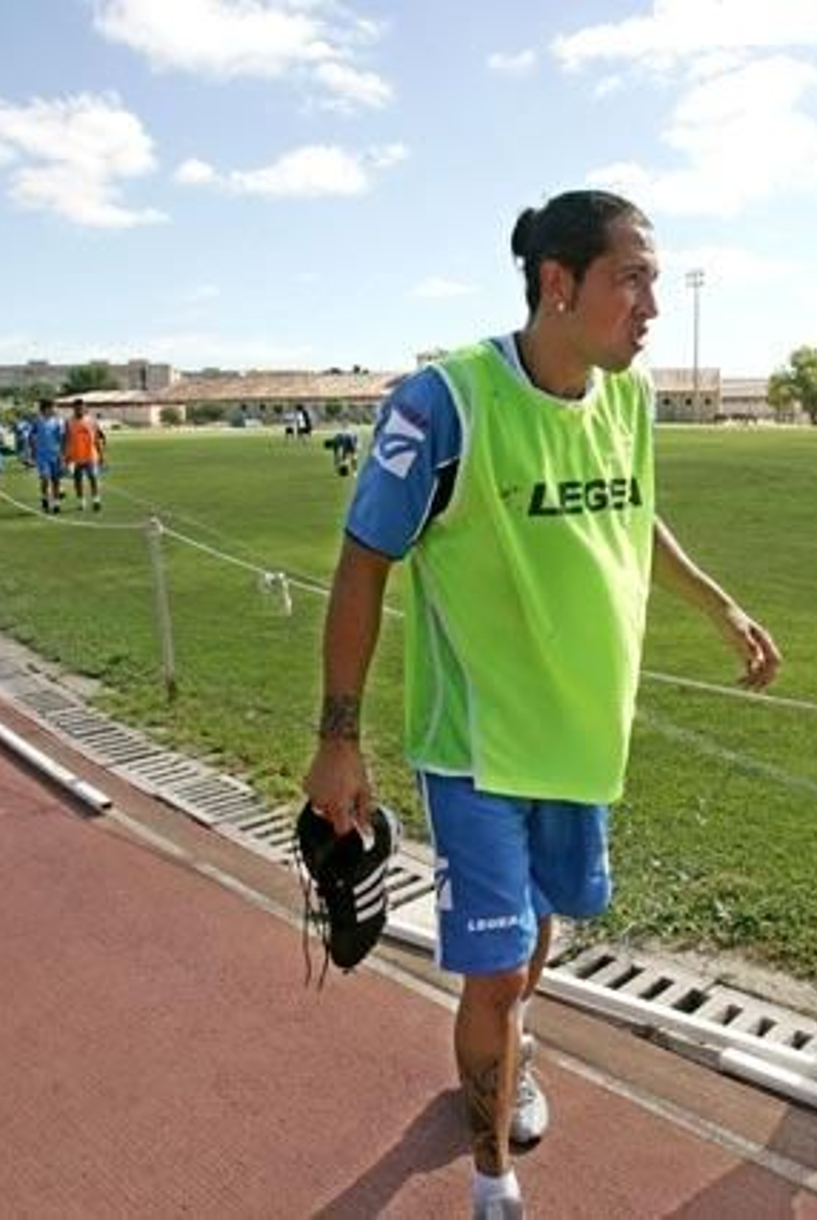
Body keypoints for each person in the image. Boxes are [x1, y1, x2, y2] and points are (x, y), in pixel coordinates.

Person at [303, 189, 781, 1219]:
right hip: (476, 747)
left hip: (581, 740)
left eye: (655, 278)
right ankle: (491, 1179)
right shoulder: (445, 403)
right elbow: (362, 564)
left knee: (531, 941)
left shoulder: (631, 397)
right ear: (557, 283)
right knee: (487, 967)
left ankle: (513, 1050)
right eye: (632, 278)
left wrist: (720, 605)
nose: (650, 303)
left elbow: (635, 514)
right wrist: (338, 739)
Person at [64, 402, 106, 511]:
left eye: (81, 409)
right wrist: (66, 455)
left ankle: (96, 500)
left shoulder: (91, 421)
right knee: (77, 480)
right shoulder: (69, 422)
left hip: (90, 455)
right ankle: (81, 501)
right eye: (77, 409)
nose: (79, 411)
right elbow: (66, 439)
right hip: (75, 455)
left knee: (93, 477)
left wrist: (101, 455)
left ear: (85, 409)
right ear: (73, 409)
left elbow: (97, 439)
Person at [31, 399, 66, 513]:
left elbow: (61, 439)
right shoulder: (37, 422)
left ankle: (56, 503)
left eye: (54, 407)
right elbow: (32, 437)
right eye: (52, 407)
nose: (54, 409)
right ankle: (45, 499)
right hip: (42, 456)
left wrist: (62, 454)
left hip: (55, 455)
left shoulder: (57, 422)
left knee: (56, 480)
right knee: (45, 478)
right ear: (45, 409)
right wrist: (33, 453)